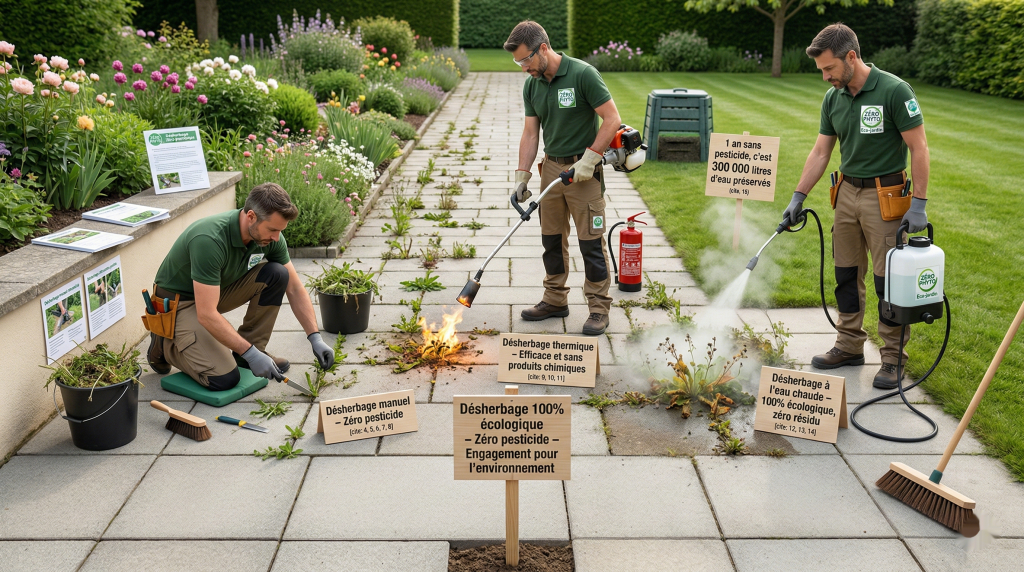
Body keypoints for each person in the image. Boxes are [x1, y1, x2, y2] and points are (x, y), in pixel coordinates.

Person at [782, 23, 930, 389]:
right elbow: (821, 152)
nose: (825, 77)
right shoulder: (833, 98)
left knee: (887, 281)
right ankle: (849, 345)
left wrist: (920, 204)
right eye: (821, 71)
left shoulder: (894, 91)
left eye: (829, 69)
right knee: (846, 274)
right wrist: (798, 196)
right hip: (845, 193)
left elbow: (920, 148)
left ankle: (893, 358)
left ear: (851, 57)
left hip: (886, 195)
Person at [147, 182, 334, 390]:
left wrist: (315, 338)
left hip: (215, 292)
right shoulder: (209, 239)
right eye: (272, 229)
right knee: (224, 379)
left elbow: (295, 288)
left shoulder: (270, 237)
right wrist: (250, 352)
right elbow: (206, 314)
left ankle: (246, 355)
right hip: (178, 303)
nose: (276, 238)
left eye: (280, 231)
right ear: (251, 217)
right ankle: (164, 343)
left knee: (277, 274)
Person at [504, 20, 622, 335]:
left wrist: (591, 158)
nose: (523, 67)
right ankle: (555, 299)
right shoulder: (532, 84)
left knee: (590, 244)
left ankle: (598, 308)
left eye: (525, 59)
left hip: (583, 171)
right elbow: (531, 134)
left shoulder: (583, 74)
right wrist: (522, 176)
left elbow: (612, 119)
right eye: (518, 62)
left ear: (543, 48)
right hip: (552, 170)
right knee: (551, 240)